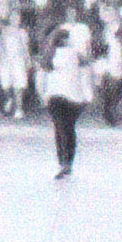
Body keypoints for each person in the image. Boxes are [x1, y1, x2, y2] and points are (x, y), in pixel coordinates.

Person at [43, 21, 93, 179]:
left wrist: (44, 94)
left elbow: (44, 76)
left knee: (59, 128)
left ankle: (63, 161)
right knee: (68, 129)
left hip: (55, 95)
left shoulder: (50, 54)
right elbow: (84, 76)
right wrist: (88, 96)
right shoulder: (77, 55)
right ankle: (67, 162)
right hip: (72, 96)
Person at [0, 9, 30, 120]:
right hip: (6, 60)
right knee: (6, 85)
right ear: (10, 18)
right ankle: (9, 98)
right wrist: (0, 59)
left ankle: (18, 109)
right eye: (13, 17)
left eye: (17, 17)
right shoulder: (4, 31)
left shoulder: (22, 32)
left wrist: (27, 60)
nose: (15, 19)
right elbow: (1, 46)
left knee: (18, 86)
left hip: (18, 60)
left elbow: (25, 48)